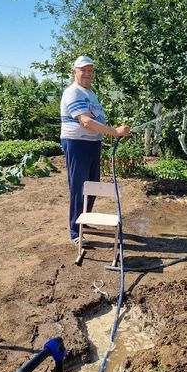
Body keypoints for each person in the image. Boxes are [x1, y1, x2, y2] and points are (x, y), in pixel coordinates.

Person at [60, 55, 130, 247]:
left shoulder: (91, 94)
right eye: (84, 70)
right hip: (77, 143)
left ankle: (83, 219)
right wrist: (114, 132)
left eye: (91, 71)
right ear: (75, 72)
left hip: (92, 144)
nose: (88, 74)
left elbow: (96, 121)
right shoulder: (73, 92)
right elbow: (86, 121)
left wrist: (110, 131)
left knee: (92, 185)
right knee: (78, 187)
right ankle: (75, 232)